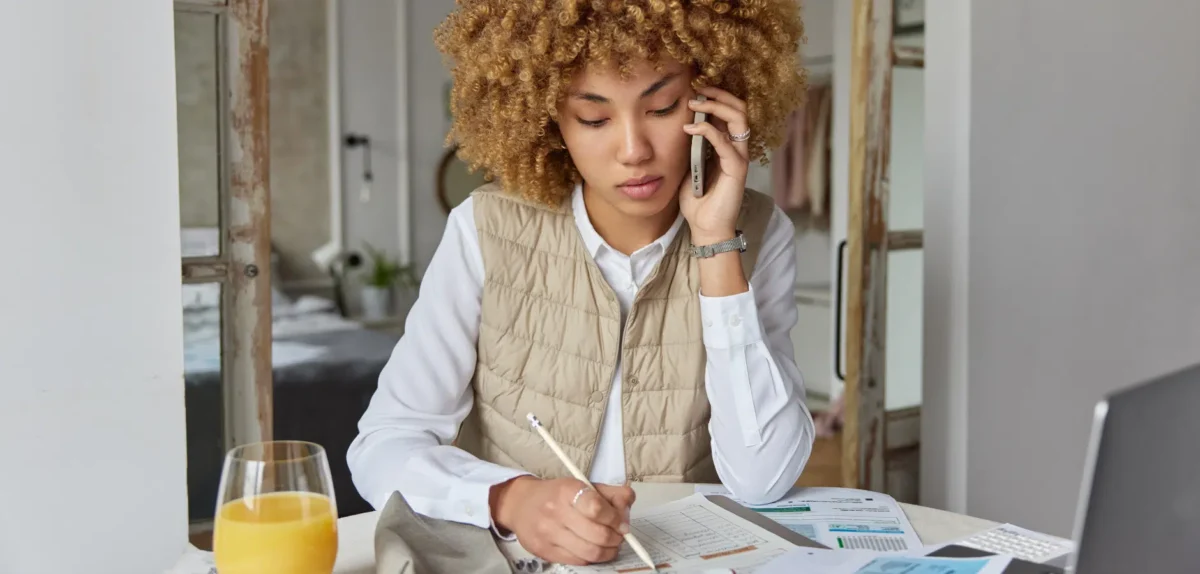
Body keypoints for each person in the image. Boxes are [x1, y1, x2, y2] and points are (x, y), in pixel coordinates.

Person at [348, 0, 814, 566]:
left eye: (663, 107)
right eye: (594, 119)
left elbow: (763, 478)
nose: (633, 150)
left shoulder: (759, 235)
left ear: (713, 101)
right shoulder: (485, 229)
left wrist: (716, 243)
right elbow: (383, 446)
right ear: (549, 120)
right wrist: (512, 500)